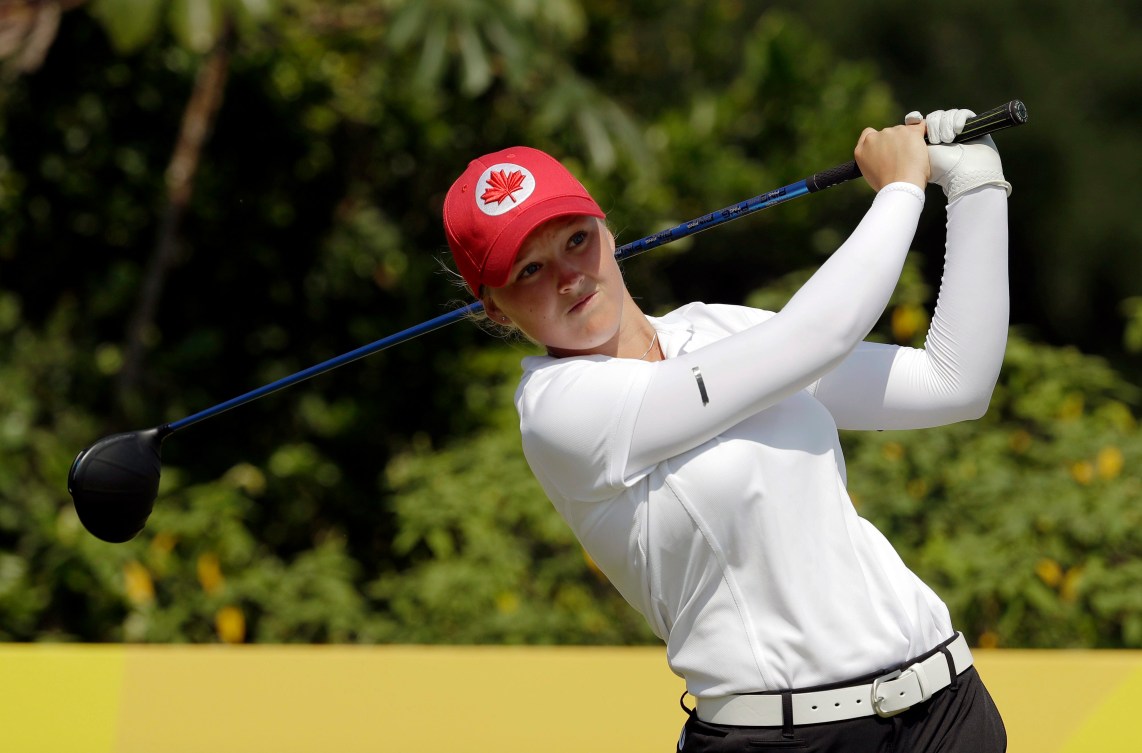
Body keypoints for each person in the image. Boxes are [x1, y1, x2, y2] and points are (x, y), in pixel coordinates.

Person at [441, 108, 1010, 752]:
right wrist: (901, 190)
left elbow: (951, 382)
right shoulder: (557, 410)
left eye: (575, 240)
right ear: (492, 307)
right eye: (529, 272)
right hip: (783, 741)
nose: (570, 277)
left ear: (604, 226)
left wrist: (976, 189)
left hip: (947, 712)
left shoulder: (714, 328)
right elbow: (813, 336)